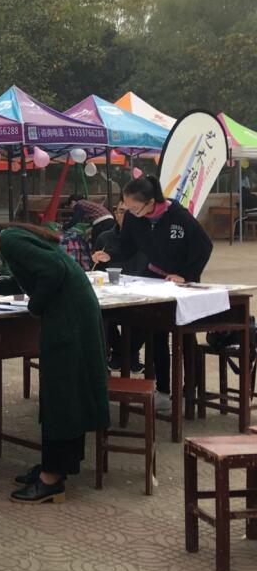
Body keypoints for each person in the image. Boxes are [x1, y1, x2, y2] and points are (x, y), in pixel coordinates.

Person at [0, 223, 110, 503]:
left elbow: (53, 272)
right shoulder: (9, 239)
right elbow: (34, 274)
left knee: (60, 394)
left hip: (68, 319)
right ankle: (58, 465)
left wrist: (35, 307)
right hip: (72, 313)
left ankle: (52, 478)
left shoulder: (10, 242)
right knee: (64, 392)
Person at [91, 175, 213, 409]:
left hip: (182, 282)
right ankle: (163, 391)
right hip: (155, 278)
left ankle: (190, 391)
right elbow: (126, 247)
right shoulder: (133, 218)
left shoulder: (178, 216)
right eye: (126, 208)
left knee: (186, 336)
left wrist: (186, 275)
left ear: (151, 202)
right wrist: (110, 255)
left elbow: (204, 247)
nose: (130, 213)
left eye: (135, 208)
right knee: (156, 333)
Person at [95, 201, 149, 372]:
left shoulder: (147, 238)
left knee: (151, 316)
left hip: (142, 294)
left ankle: (126, 353)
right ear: (115, 214)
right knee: (97, 313)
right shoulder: (104, 238)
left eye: (129, 212)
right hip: (111, 295)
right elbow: (97, 271)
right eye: (120, 211)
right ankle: (123, 352)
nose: (124, 216)